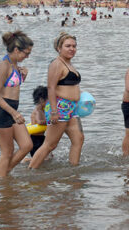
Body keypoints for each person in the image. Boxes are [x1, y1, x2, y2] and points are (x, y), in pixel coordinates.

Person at [29, 32, 84, 169]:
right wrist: (54, 111)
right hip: (60, 107)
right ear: (59, 48)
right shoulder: (57, 64)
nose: (72, 49)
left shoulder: (69, 63)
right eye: (68, 46)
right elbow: (51, 88)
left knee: (78, 140)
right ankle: (31, 171)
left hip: (72, 107)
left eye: (74, 46)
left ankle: (73, 170)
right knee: (50, 144)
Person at [0, 31, 34, 177]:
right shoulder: (4, 65)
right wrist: (14, 113)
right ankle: (1, 186)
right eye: (26, 53)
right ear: (16, 50)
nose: (27, 56)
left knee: (27, 145)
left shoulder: (15, 65)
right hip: (1, 112)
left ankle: (4, 173)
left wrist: (23, 76)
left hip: (11, 110)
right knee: (7, 152)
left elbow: (11, 88)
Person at [29, 86, 48, 158]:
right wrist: (50, 121)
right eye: (48, 99)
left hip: (41, 137)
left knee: (47, 157)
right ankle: (26, 161)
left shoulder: (42, 109)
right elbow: (40, 122)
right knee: (37, 158)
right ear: (41, 99)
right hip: (35, 139)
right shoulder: (37, 110)